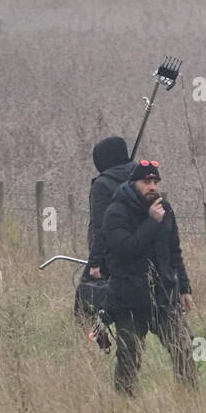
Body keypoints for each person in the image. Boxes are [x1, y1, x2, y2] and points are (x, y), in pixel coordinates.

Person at [101, 160, 197, 394]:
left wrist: (184, 288)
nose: (152, 187)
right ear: (133, 184)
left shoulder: (165, 208)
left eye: (155, 182)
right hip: (129, 299)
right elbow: (126, 248)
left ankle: (191, 402)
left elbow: (175, 251)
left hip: (163, 296)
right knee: (129, 357)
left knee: (183, 349)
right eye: (146, 182)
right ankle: (125, 407)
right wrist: (151, 222)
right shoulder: (116, 212)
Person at [77, 135, 134, 317]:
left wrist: (95, 261)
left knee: (86, 301)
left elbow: (101, 226)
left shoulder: (102, 185)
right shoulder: (142, 177)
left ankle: (98, 339)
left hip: (111, 254)